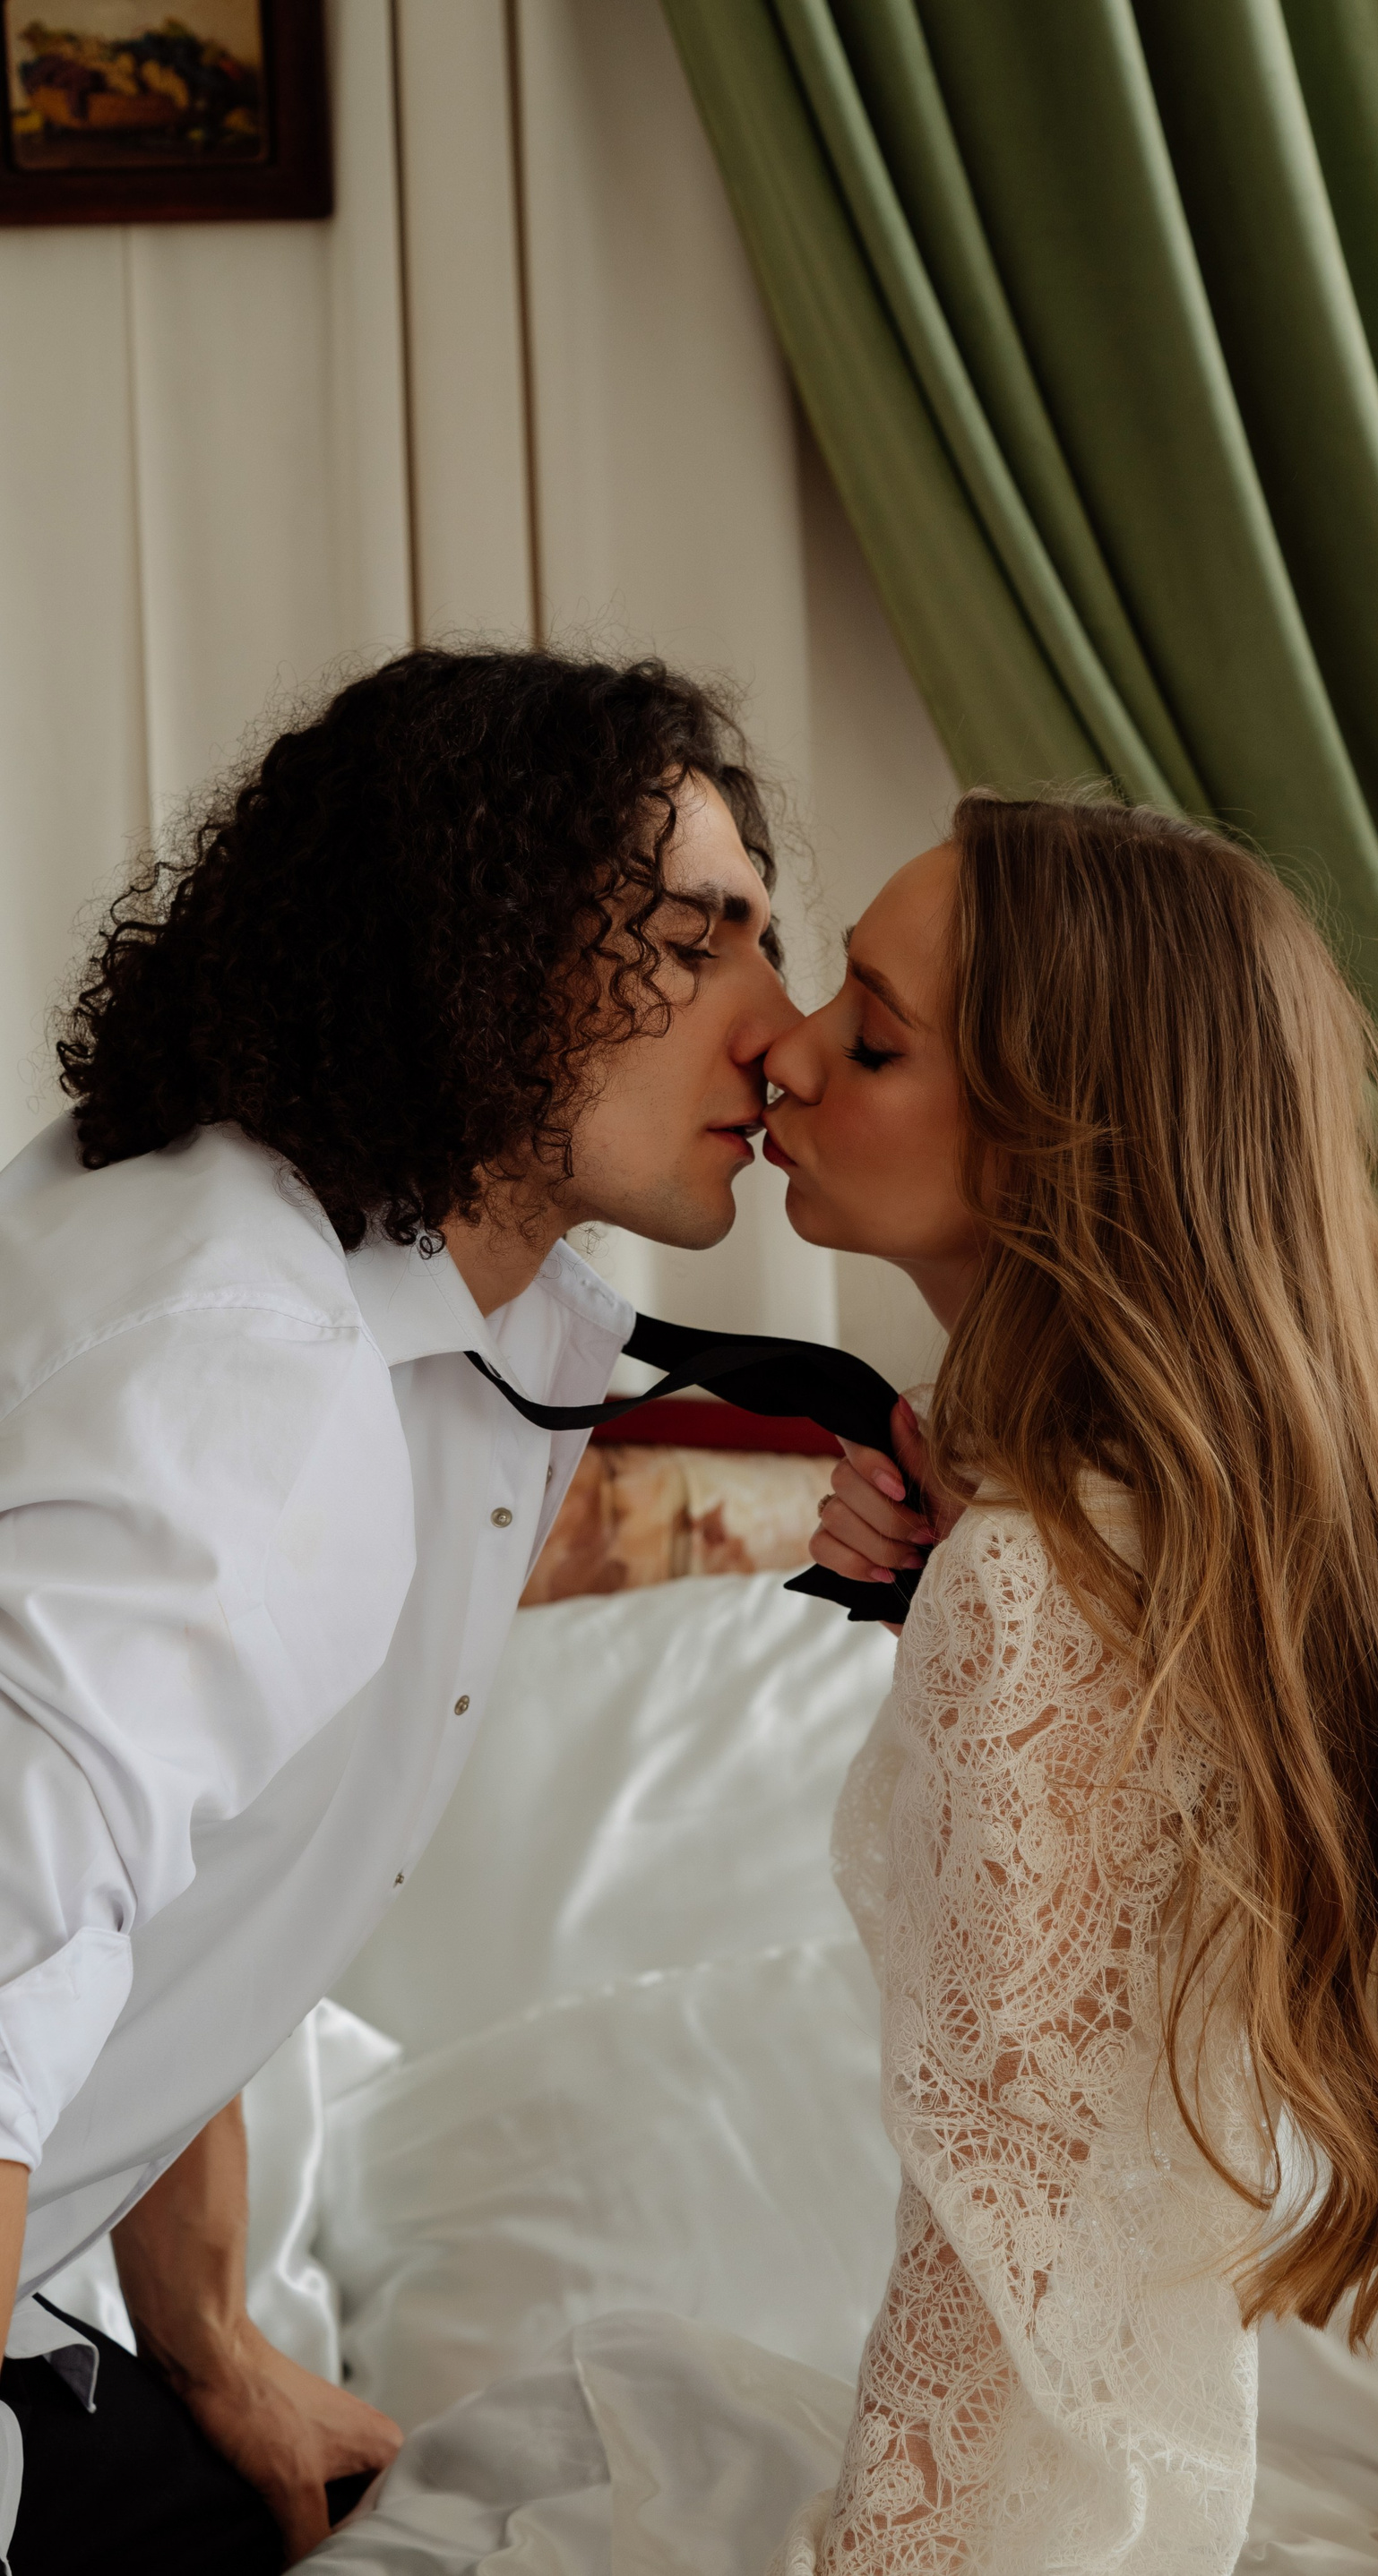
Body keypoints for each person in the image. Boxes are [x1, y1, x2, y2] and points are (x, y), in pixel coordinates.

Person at [767, 792, 1378, 2572]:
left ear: (1061, 1149)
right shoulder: (1200, 1513)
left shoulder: (1062, 1576)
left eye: (873, 1038)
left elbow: (1044, 2279)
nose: (785, 1049)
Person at [0, 646, 799, 2572]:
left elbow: (150, 1886)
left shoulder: (462, 1329)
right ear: (477, 946)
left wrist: (207, 2335)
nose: (782, 1030)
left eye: (772, 945)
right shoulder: (246, 1367)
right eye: (698, 939)